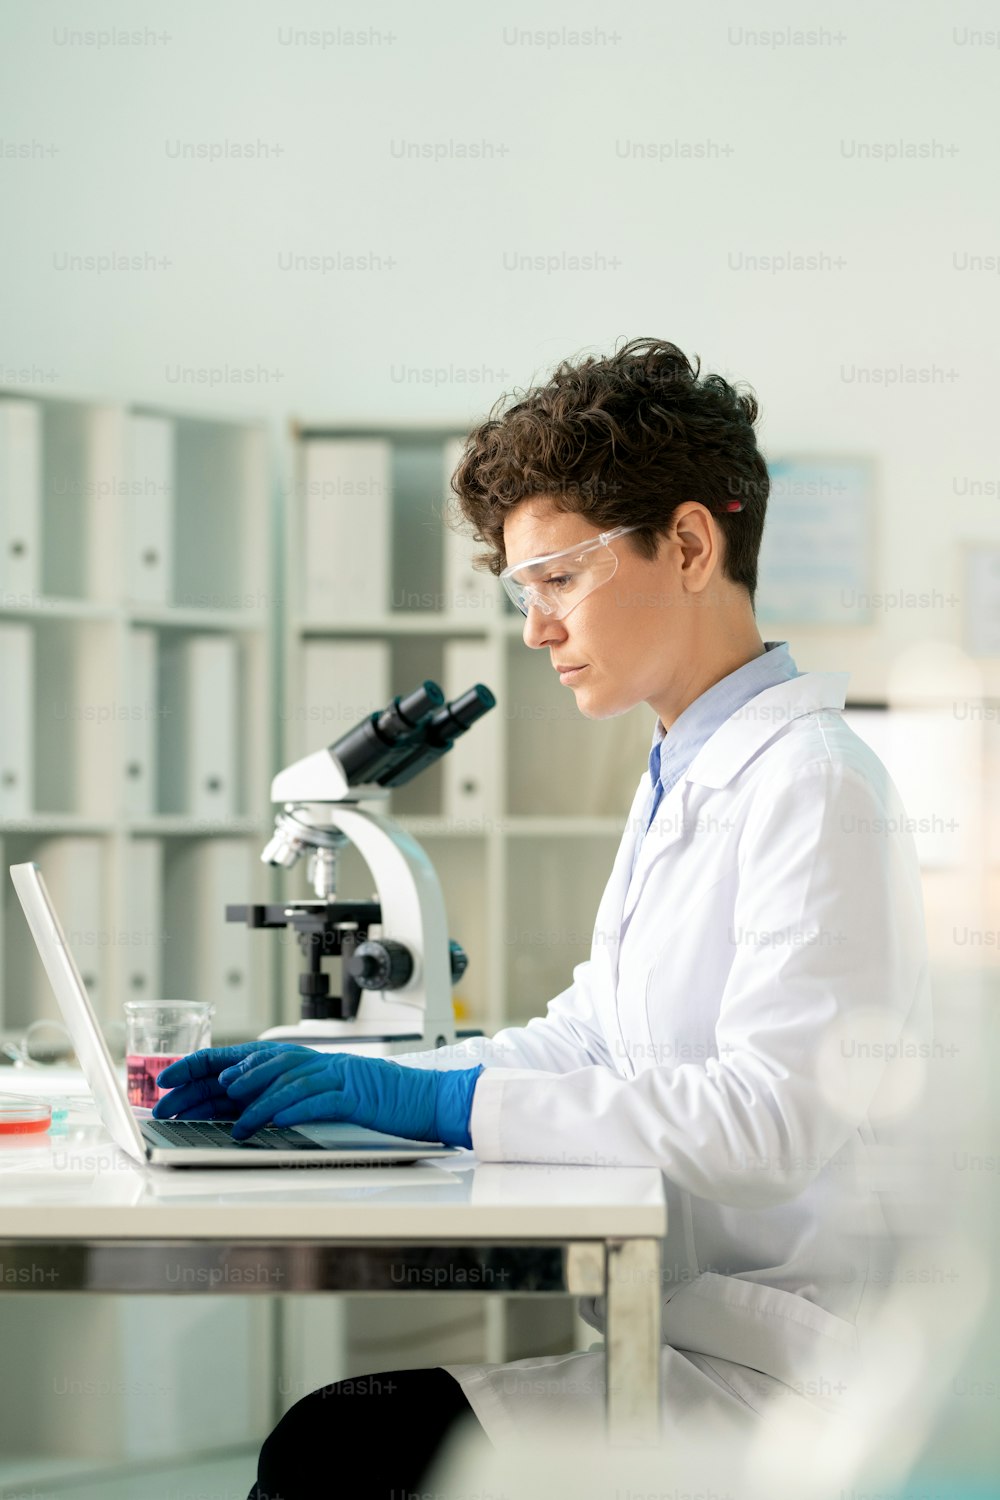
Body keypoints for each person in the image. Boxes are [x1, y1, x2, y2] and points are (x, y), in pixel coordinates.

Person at [155, 338, 931, 1499]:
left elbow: (772, 1121)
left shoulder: (808, 782)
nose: (535, 630)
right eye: (526, 593)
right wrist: (369, 1082)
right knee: (336, 1440)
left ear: (686, 544)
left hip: (788, 1376)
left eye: (559, 579)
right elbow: (591, 1037)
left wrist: (442, 1100)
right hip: (684, 1332)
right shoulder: (686, 761)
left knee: (339, 1449)